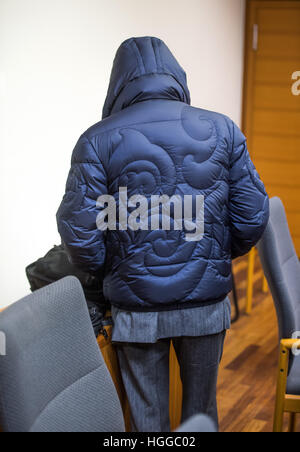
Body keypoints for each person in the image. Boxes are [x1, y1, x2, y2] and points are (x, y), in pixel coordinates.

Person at [57, 37, 269, 432]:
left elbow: (80, 232)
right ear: (176, 75)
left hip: (136, 312)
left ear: (117, 83)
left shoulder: (96, 139)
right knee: (201, 414)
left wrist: (115, 269)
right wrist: (216, 255)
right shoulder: (222, 129)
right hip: (206, 308)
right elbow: (253, 214)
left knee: (146, 421)